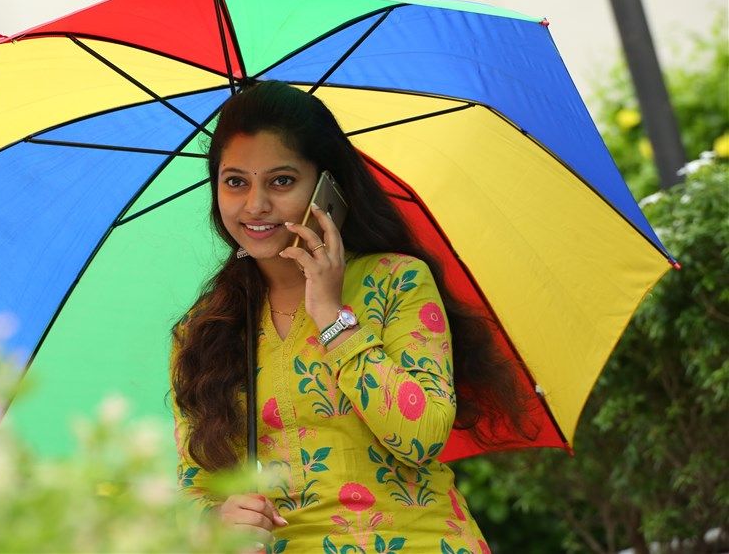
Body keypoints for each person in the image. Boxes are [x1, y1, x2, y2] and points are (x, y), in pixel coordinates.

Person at [171, 81, 528, 553]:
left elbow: (421, 438)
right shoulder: (203, 331)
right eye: (236, 181)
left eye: (281, 181)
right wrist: (217, 520)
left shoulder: (396, 281)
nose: (255, 205)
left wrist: (332, 315)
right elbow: (195, 484)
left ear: (327, 188)